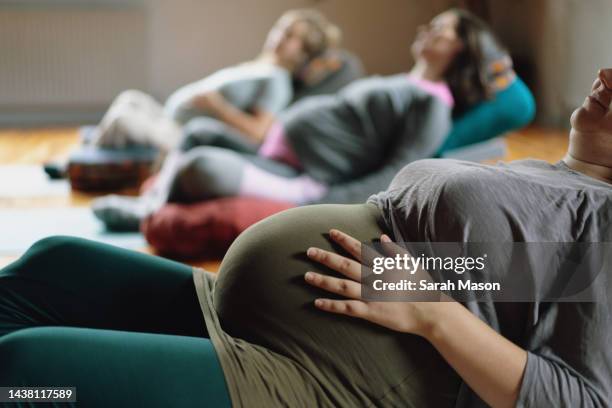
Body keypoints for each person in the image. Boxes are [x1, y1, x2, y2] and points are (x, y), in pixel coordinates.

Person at [2, 67, 611, 407]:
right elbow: (504, 277)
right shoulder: (560, 189)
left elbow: (580, 400)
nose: (607, 72)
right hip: (263, 312)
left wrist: (434, 315)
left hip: (335, 377)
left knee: (26, 376)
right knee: (52, 267)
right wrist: (442, 284)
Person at [91, 8, 496, 231]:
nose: (428, 28)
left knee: (200, 167)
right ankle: (152, 200)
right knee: (197, 132)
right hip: (276, 152)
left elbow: (396, 173)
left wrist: (319, 206)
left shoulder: (432, 106)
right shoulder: (399, 81)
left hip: (305, 179)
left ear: (462, 48)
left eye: (441, 28)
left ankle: (146, 212)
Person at [89, 9, 341, 152]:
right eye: (279, 29)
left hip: (182, 136)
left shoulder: (278, 82)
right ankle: (93, 148)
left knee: (122, 119)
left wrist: (216, 106)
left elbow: (258, 133)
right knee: (130, 98)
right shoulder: (261, 67)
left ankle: (84, 160)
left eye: (289, 36)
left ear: (303, 52)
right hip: (173, 120)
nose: (278, 37)